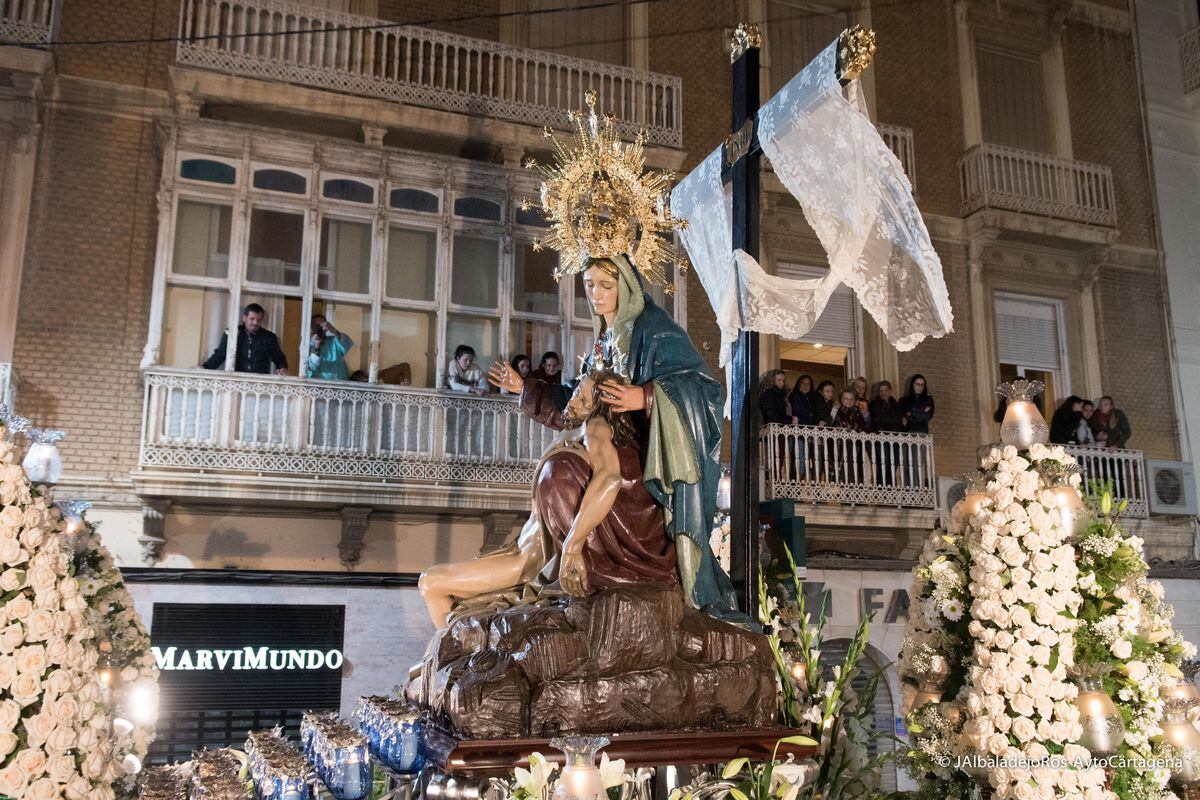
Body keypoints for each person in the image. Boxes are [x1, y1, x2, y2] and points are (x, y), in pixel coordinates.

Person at [466, 254, 738, 623]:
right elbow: (575, 402)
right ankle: (587, 569)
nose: (596, 294)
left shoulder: (653, 329)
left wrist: (644, 397)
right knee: (561, 470)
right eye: (590, 284)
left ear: (625, 287)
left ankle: (599, 565)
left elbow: (705, 392)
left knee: (566, 473)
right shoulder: (603, 342)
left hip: (649, 465)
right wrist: (525, 386)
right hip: (608, 446)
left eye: (606, 286)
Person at [202, 303, 288, 375]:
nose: (255, 323)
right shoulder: (232, 333)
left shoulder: (269, 337)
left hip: (260, 383)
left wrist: (282, 367)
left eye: (259, 320)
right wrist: (204, 367)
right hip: (236, 380)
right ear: (244, 318)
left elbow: (279, 358)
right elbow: (220, 355)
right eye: (252, 319)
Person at [759, 370, 794, 482]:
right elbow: (771, 415)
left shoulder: (780, 395)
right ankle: (771, 482)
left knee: (779, 458)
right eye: (779, 380)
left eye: (783, 380)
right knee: (774, 458)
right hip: (773, 430)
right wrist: (789, 419)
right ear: (772, 380)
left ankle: (775, 481)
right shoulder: (769, 394)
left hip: (780, 430)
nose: (782, 383)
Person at [870, 380, 902, 486]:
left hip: (895, 438)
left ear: (890, 391)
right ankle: (882, 488)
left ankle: (890, 488)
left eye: (886, 390)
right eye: (881, 390)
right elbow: (880, 419)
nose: (884, 393)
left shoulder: (895, 404)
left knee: (894, 463)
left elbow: (899, 420)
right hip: (882, 437)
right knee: (884, 463)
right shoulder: (875, 404)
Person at [307, 315, 354, 380]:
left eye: (322, 325)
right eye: (316, 326)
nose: (319, 328)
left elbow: (347, 343)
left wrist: (333, 330)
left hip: (339, 382)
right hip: (318, 384)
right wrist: (316, 347)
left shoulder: (334, 341)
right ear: (311, 327)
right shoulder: (307, 344)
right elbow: (310, 367)